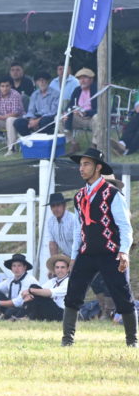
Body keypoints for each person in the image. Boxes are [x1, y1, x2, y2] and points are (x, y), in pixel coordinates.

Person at [62, 148, 135, 347]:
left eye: (86, 164)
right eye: (80, 164)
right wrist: (74, 257)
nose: (81, 168)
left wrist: (124, 252)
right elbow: (78, 229)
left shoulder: (113, 194)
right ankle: (67, 340)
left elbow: (125, 227)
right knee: (73, 293)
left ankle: (132, 340)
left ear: (98, 167)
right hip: (86, 253)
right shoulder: (79, 197)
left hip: (111, 253)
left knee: (122, 295)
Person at [0, 253, 38, 320]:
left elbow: (19, 302)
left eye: (19, 266)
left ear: (24, 267)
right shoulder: (10, 280)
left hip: (26, 308)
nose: (16, 269)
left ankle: (6, 316)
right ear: (11, 268)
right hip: (13, 307)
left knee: (10, 311)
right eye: (14, 266)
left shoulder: (29, 280)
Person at [11, 71, 60, 140]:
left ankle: (43, 139)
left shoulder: (56, 94)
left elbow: (53, 112)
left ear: (48, 81)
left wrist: (37, 121)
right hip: (36, 117)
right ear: (36, 82)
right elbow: (31, 110)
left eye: (44, 80)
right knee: (18, 122)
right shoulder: (35, 94)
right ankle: (30, 140)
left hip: (49, 118)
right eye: (39, 80)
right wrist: (31, 120)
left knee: (45, 122)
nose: (42, 82)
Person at [22, 254, 70, 321]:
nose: (60, 270)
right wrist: (29, 294)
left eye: (62, 267)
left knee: (34, 289)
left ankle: (27, 316)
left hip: (63, 313)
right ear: (54, 269)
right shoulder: (53, 281)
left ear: (68, 269)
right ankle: (26, 316)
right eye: (57, 267)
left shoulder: (69, 282)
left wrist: (30, 291)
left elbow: (50, 293)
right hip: (52, 309)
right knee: (34, 289)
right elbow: (39, 290)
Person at [63, 68, 99, 147]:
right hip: (78, 118)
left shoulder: (97, 90)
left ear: (91, 79)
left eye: (85, 78)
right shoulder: (77, 90)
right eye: (80, 78)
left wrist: (86, 113)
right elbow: (70, 105)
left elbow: (100, 109)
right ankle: (73, 143)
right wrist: (66, 113)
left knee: (98, 117)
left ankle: (95, 144)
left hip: (91, 119)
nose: (82, 81)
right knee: (59, 118)